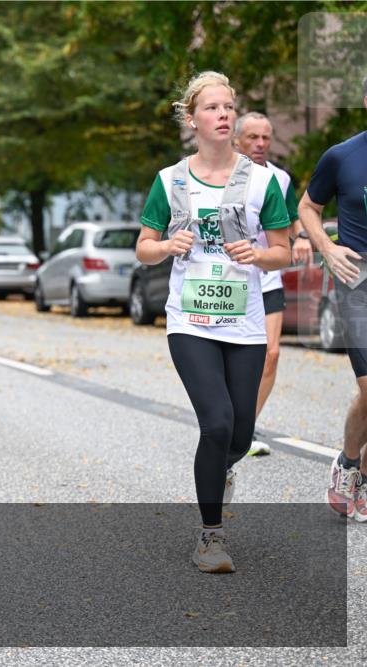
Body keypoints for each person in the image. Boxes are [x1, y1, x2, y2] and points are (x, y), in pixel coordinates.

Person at [136, 72, 291, 573]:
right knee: (217, 422)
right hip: (191, 321)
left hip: (243, 321)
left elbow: (285, 252)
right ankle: (210, 538)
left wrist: (260, 256)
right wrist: (166, 246)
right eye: (212, 108)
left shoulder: (264, 181)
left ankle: (220, 468)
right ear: (192, 119)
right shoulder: (171, 180)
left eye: (229, 107)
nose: (224, 114)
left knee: (240, 436)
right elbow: (143, 247)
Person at [298, 75, 367, 522]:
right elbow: (308, 207)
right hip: (358, 279)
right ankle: (348, 461)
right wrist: (325, 246)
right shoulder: (341, 156)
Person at [234, 112, 315, 455]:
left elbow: (291, 220)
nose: (260, 144)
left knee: (271, 354)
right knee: (234, 357)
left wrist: (303, 238)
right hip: (233, 281)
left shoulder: (279, 179)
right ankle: (227, 423)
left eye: (265, 137)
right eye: (252, 137)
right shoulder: (223, 176)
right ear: (237, 140)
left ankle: (244, 432)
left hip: (268, 278)